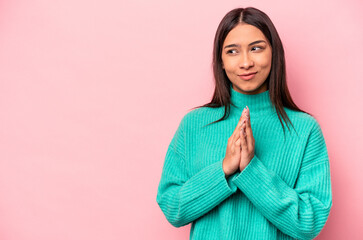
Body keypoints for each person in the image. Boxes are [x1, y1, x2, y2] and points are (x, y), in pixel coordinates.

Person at [156, 7, 332, 240]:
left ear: (274, 53)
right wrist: (224, 168)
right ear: (220, 60)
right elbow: (172, 207)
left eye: (256, 48)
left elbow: (309, 222)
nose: (246, 62)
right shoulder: (193, 125)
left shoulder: (305, 129)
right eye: (232, 51)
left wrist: (251, 169)